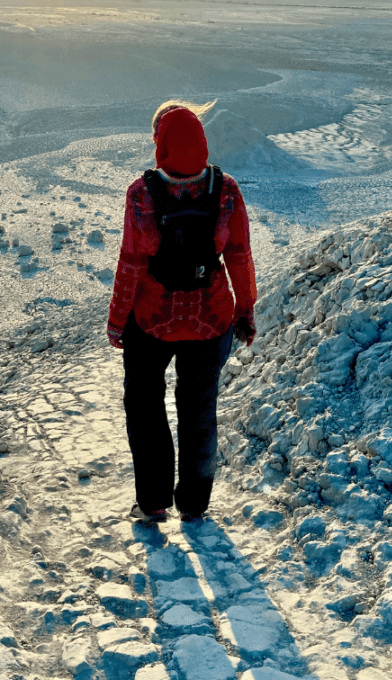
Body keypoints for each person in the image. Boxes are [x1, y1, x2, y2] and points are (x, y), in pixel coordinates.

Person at [107, 100, 257, 524]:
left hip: (152, 322)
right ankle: (195, 504)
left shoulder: (141, 194)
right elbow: (240, 256)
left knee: (145, 408)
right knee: (199, 410)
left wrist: (117, 321)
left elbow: (131, 262)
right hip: (211, 321)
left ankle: (153, 502)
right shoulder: (225, 190)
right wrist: (245, 312)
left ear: (161, 142)